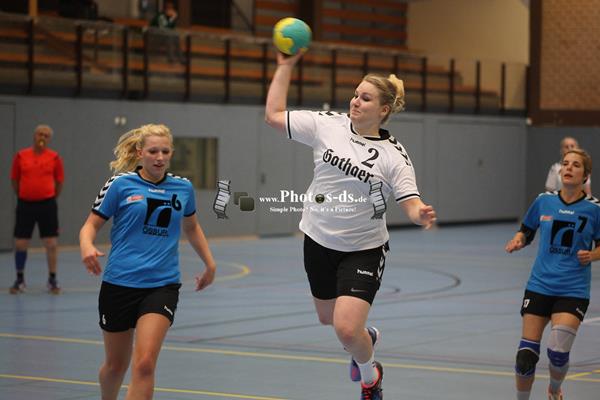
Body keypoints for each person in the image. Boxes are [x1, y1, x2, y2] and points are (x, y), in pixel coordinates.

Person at [265, 51, 436, 400]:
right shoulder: (328, 125)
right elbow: (273, 116)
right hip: (317, 240)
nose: (355, 101)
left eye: (365, 98)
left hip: (363, 249)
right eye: (356, 95)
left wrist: (419, 214)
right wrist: (284, 66)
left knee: (345, 329)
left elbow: (410, 200)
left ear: (383, 110)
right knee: (328, 319)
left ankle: (371, 379)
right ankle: (366, 337)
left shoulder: (393, 156)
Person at [79, 124, 216, 400]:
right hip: (119, 283)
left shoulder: (182, 187)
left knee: (144, 364)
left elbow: (191, 227)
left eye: (165, 151)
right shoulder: (120, 184)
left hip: (161, 285)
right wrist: (87, 247)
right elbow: (90, 226)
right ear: (140, 152)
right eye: (153, 151)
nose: (160, 157)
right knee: (115, 366)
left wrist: (209, 264)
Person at [506, 148, 600, 400]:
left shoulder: (594, 209)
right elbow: (526, 230)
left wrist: (592, 255)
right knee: (525, 357)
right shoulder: (543, 201)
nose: (568, 168)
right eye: (565, 164)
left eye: (576, 165)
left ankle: (555, 390)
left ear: (585, 175)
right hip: (539, 285)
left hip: (572, 290)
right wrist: (519, 239)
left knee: (558, 352)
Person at [10, 124, 64, 294]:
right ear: (34, 136)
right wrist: (24, 194)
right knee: (20, 243)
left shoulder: (54, 157)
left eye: (46, 135)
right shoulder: (21, 156)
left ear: (49, 139)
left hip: (47, 205)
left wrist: (49, 196)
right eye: (40, 134)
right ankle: (19, 279)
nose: (42, 137)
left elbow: (59, 181)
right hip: (25, 204)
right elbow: (14, 179)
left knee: (51, 243)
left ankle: (52, 279)